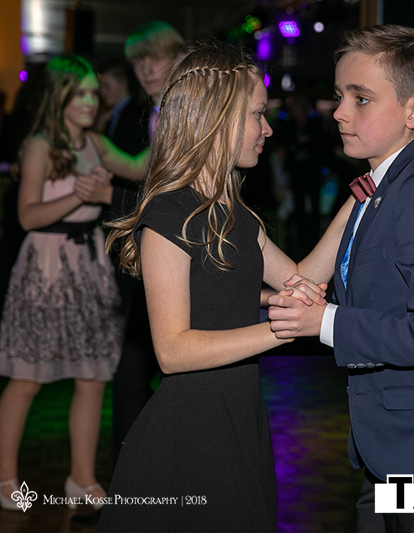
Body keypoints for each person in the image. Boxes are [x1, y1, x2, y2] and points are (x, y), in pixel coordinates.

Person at [97, 41, 355, 531]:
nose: (268, 128)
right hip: (191, 427)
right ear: (218, 121)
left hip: (239, 412)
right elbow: (172, 351)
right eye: (257, 115)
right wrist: (280, 327)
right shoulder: (168, 215)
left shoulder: (237, 215)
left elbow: (301, 278)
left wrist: (355, 203)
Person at [268, 25, 414, 532]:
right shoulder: (377, 191)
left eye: (360, 98)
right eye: (340, 96)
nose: (340, 112)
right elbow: (314, 283)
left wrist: (327, 321)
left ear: (413, 111)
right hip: (392, 450)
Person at [0, 55, 148, 511]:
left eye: (94, 92)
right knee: (27, 378)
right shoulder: (40, 146)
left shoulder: (96, 143)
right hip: (45, 266)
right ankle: (4, 476)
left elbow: (140, 168)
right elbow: (27, 216)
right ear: (57, 96)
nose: (89, 100)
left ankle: (81, 478)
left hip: (88, 265)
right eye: (79, 92)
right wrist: (79, 195)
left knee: (93, 376)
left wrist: (166, 122)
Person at [108, 20, 184, 466]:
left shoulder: (181, 108)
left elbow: (150, 173)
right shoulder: (153, 110)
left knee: (143, 373)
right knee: (138, 373)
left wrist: (92, 150)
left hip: (179, 249)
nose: (145, 68)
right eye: (138, 61)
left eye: (154, 58)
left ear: (175, 58)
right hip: (156, 249)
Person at [96, 59, 148, 156]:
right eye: (101, 87)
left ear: (123, 83)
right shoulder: (111, 114)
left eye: (107, 86)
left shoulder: (136, 115)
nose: (102, 92)